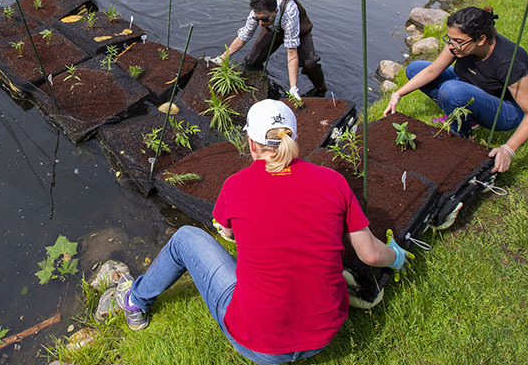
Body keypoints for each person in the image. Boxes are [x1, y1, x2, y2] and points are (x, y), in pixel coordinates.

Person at [96, 99, 411, 365]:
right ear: (294, 138)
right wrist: (397, 257)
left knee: (185, 239)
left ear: (250, 143)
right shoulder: (333, 181)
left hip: (259, 345)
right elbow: (370, 254)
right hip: (323, 336)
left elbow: (227, 231)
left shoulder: (236, 186)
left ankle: (135, 301)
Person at [383, 6, 528, 173]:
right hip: (470, 87)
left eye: (457, 41)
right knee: (415, 68)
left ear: (481, 40)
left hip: (505, 110)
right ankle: (465, 117)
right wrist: (397, 94)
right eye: (450, 39)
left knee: (452, 90)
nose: (451, 45)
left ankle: (461, 136)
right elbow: (432, 70)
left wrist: (508, 149)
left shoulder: (508, 62)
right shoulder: (459, 43)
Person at [208, 0, 327, 99]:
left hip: (298, 31)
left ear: (275, 12)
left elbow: (291, 52)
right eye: (257, 19)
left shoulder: (290, 12)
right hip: (273, 28)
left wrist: (293, 87)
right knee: (251, 61)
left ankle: (320, 89)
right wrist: (222, 58)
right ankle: (261, 84)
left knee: (310, 63)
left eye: (264, 19)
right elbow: (243, 37)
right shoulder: (259, 12)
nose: (260, 23)